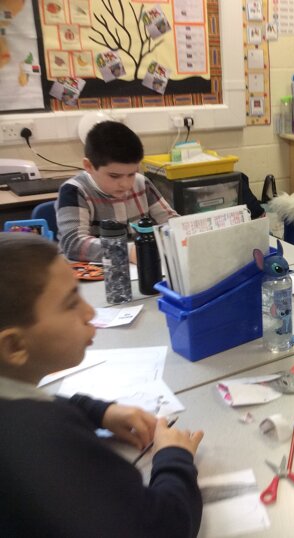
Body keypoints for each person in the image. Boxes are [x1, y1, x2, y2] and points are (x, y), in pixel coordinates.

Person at [0, 232, 204, 537]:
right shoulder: (43, 444)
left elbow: (34, 402)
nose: (90, 312)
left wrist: (99, 411)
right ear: (14, 346)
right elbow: (165, 527)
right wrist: (174, 457)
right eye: (71, 303)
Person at [56, 121, 178, 263]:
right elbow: (74, 244)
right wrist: (127, 251)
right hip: (96, 271)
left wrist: (177, 232)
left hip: (139, 267)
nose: (125, 184)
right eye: (114, 176)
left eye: (132, 174)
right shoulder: (74, 191)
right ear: (88, 166)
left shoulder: (141, 183)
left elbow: (172, 222)